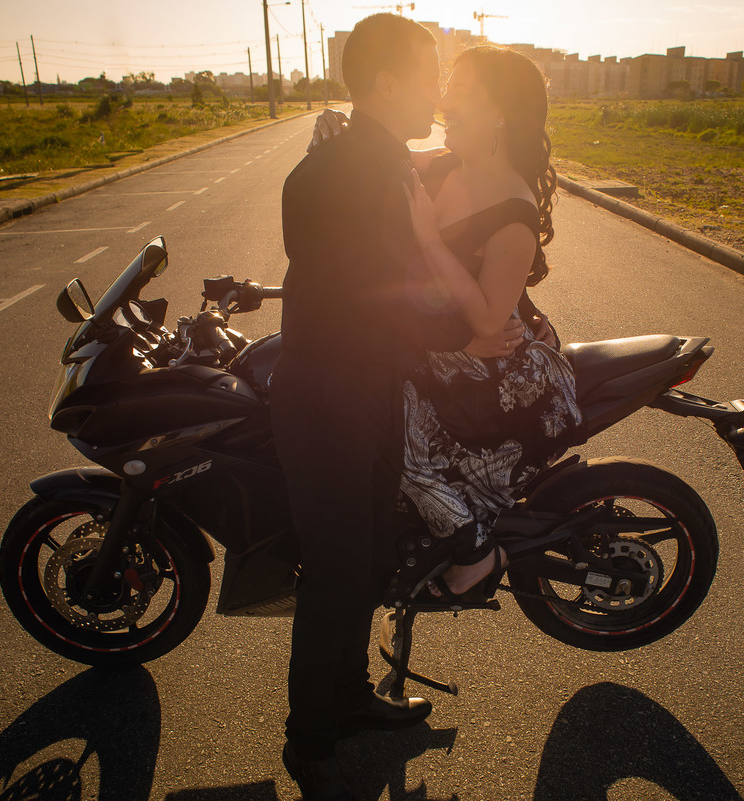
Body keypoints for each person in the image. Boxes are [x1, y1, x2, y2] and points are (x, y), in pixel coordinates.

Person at [271, 15, 527, 801]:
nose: (437, 93)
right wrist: (477, 327)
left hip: (364, 390)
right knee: (340, 571)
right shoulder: (355, 172)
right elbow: (379, 298)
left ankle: (348, 697)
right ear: (385, 82)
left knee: (370, 558)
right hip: (329, 398)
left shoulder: (367, 159)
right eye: (426, 77)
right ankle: (310, 740)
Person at [309, 45, 581, 601]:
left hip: (496, 368)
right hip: (446, 344)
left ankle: (476, 553)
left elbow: (486, 317)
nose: (445, 100)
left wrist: (429, 236)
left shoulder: (514, 210)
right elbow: (383, 158)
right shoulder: (449, 163)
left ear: (498, 111)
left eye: (460, 91)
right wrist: (335, 132)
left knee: (392, 435)